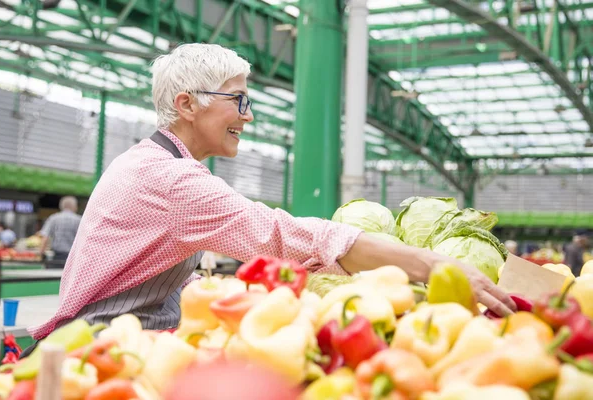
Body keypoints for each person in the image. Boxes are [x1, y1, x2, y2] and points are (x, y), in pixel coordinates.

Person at [27, 43, 515, 344]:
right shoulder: (172, 179)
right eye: (238, 100)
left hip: (113, 337)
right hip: (109, 345)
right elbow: (282, 234)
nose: (249, 115)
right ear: (186, 105)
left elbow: (145, 271)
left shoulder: (151, 162)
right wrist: (433, 266)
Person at [39, 196, 82, 268]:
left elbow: (45, 237)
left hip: (56, 257)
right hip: (73, 259)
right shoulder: (79, 220)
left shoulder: (53, 218)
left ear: (61, 206)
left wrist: (41, 254)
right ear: (74, 206)